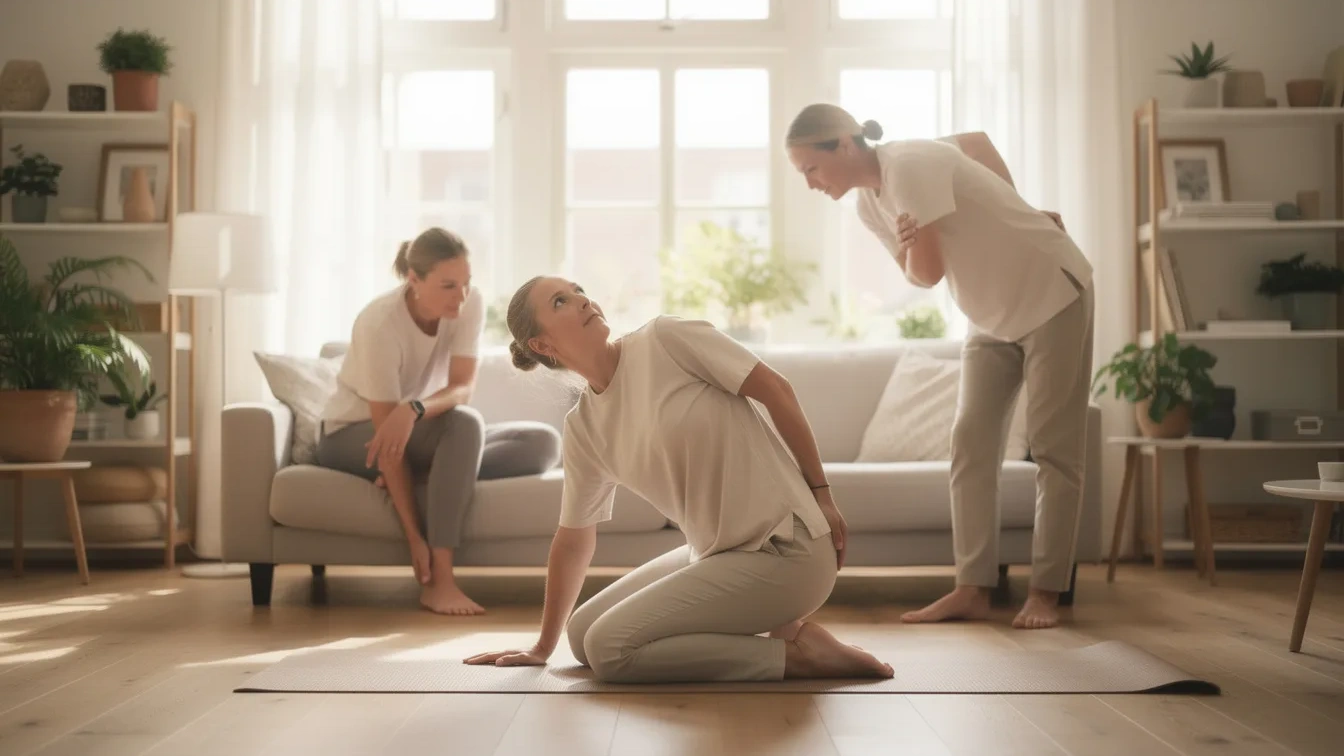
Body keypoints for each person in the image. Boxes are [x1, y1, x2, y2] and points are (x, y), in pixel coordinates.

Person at [463, 276, 894, 683]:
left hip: (787, 548)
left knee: (610, 648)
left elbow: (776, 390)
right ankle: (778, 631)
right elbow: (574, 537)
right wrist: (542, 646)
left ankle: (796, 656)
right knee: (580, 637)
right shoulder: (584, 427)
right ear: (541, 343)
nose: (581, 299)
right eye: (560, 301)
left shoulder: (665, 339)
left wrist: (822, 494)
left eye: (578, 291)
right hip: (717, 556)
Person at [785, 104, 1094, 630]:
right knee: (971, 447)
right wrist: (1003, 210)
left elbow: (924, 270)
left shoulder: (909, 164)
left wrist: (1018, 212)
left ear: (842, 143)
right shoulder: (868, 206)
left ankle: (1045, 592)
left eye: (811, 169)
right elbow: (973, 144)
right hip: (990, 316)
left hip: (1050, 291)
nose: (811, 184)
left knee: (1053, 449)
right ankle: (972, 589)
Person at [317, 227, 562, 616]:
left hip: (414, 428)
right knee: (464, 426)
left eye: (466, 283)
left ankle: (430, 475)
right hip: (353, 434)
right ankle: (440, 583)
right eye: (448, 285)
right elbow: (390, 441)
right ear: (414, 279)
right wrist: (414, 538)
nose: (461, 296)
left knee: (542, 443)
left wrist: (413, 408)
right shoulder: (379, 323)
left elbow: (461, 387)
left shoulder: (470, 303)